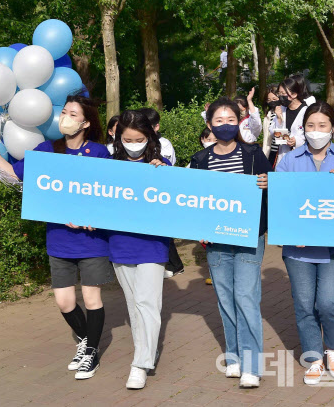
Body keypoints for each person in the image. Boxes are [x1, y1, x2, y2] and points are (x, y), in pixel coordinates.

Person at [0, 95, 113, 380]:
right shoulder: (47, 150)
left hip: (91, 240)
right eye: (64, 112)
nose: (66, 117)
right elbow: (14, 173)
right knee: (64, 302)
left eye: (73, 114)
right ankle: (86, 340)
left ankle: (91, 354)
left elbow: (111, 193)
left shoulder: (99, 152)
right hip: (59, 239)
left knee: (91, 296)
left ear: (85, 123)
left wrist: (94, 219)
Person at [276, 101, 334, 386]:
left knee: (328, 301)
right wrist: (290, 231)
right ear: (303, 129)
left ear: (332, 128)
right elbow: (282, 200)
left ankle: (333, 348)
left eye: (322, 126)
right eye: (310, 126)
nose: (316, 131)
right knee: (303, 303)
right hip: (298, 246)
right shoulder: (289, 160)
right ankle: (312, 357)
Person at [189, 97, 272, 388]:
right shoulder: (200, 160)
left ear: (239, 122)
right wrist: (200, 228)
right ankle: (234, 356)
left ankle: (252, 364)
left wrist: (267, 184)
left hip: (249, 238)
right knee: (225, 298)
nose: (225, 125)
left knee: (246, 297)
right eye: (219, 121)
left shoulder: (253, 154)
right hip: (216, 241)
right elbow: (194, 201)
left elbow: (274, 189)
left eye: (231, 120)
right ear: (209, 124)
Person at [108, 110, 171, 390]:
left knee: (148, 302)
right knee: (134, 304)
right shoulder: (108, 166)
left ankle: (140, 363)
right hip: (120, 243)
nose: (134, 144)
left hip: (152, 244)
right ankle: (145, 350)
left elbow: (177, 196)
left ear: (150, 137)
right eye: (128, 139)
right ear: (119, 138)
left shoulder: (161, 165)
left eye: (140, 139)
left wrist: (164, 172)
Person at [138, 107, 183, 279]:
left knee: (162, 231)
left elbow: (166, 169)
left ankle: (173, 264)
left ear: (156, 127)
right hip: (143, 195)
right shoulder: (139, 144)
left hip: (159, 195)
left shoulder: (164, 144)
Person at [270, 77, 310, 165]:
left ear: (294, 94)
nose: (280, 96)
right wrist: (279, 118)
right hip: (283, 156)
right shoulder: (281, 110)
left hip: (301, 157)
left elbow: (311, 135)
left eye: (283, 93)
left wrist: (296, 141)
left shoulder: (307, 112)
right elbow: (273, 133)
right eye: (279, 93)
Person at [263, 86, 280, 163]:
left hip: (281, 151)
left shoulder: (285, 112)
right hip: (271, 151)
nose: (271, 102)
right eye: (268, 100)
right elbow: (266, 137)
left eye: (274, 99)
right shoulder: (269, 115)